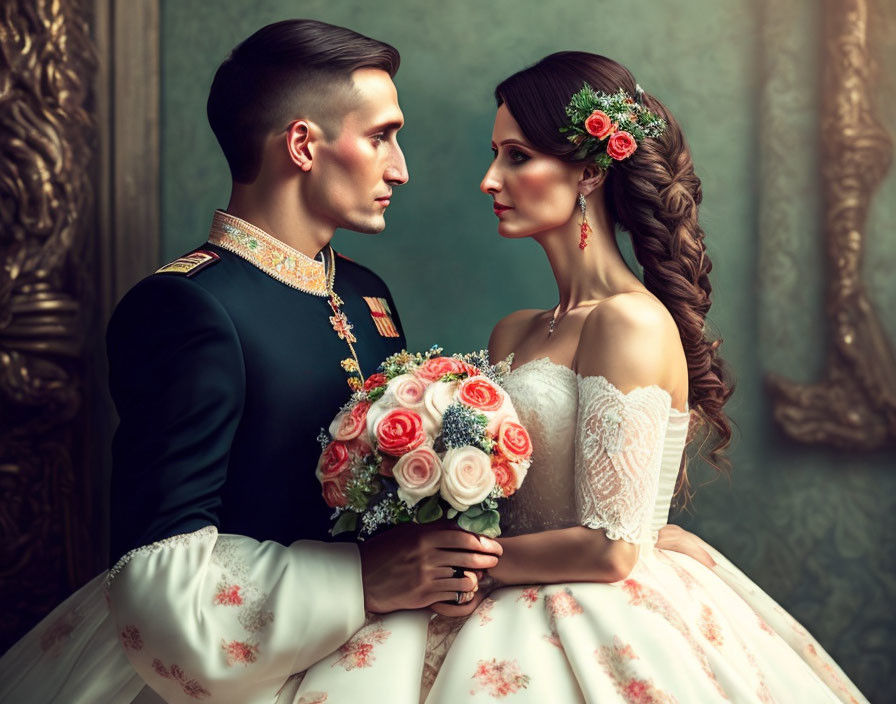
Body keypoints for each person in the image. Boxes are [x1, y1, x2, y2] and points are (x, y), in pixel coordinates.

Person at [286, 52, 869, 703]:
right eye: (495, 153)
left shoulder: (629, 325)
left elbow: (610, 550)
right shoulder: (514, 331)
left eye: (516, 155)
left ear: (590, 170)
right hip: (488, 602)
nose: (489, 178)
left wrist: (455, 564)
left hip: (593, 610)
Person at [0, 20, 502, 704]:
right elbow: (157, 581)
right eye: (381, 136)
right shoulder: (186, 306)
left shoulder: (365, 292)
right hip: (231, 672)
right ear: (302, 144)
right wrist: (359, 580)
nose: (400, 167)